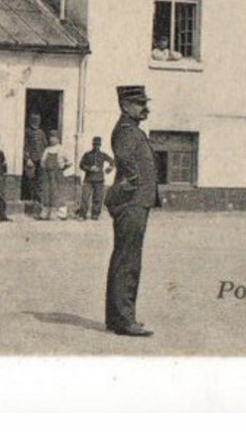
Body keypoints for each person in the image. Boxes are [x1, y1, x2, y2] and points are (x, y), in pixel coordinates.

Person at [105, 84, 160, 338]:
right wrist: (126, 200)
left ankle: (118, 317)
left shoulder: (132, 130)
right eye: (140, 104)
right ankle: (125, 320)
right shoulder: (127, 131)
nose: (145, 108)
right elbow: (129, 170)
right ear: (126, 106)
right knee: (128, 261)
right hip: (132, 203)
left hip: (136, 201)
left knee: (125, 258)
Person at [78, 136, 114, 220]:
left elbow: (112, 161)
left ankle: (95, 214)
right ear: (92, 144)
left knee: (98, 198)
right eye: (95, 144)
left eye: (98, 145)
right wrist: (90, 168)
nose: (96, 146)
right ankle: (82, 214)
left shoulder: (103, 155)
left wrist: (109, 168)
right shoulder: (87, 155)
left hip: (99, 179)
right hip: (88, 179)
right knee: (85, 197)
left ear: (100, 145)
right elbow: (81, 165)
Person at [39, 130, 70, 220]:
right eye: (50, 138)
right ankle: (45, 213)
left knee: (58, 193)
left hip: (57, 174)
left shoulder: (61, 149)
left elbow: (69, 162)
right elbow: (42, 162)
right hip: (47, 173)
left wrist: (61, 169)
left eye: (54, 138)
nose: (51, 140)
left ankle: (61, 213)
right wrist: (46, 168)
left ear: (58, 139)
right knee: (47, 192)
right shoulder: (47, 150)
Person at [22, 114, 45, 203]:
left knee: (40, 179)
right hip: (31, 159)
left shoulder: (41, 133)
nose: (36, 122)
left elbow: (44, 145)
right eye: (34, 120)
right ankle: (31, 197)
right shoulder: (27, 131)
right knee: (30, 178)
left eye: (37, 120)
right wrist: (27, 158)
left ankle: (38, 198)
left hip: (40, 159)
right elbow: (25, 146)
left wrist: (44, 158)